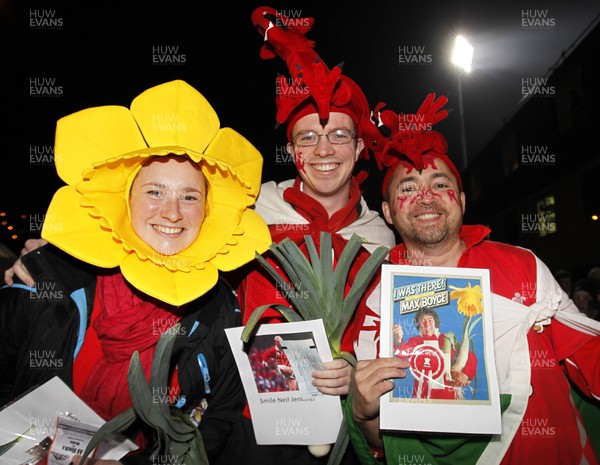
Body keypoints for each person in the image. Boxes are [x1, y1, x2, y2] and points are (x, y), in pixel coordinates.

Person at [0, 80, 272, 464]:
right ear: (124, 201)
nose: (173, 213)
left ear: (208, 212)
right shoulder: (48, 281)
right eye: (155, 192)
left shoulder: (223, 311)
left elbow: (216, 424)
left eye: (190, 197)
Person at [344, 93, 600, 465]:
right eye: (408, 188)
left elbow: (586, 354)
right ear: (386, 211)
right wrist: (365, 413)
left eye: (440, 184)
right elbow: (383, 443)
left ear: (461, 201)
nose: (426, 197)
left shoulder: (521, 266)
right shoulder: (373, 300)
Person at [392, 307, 476, 399]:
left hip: (447, 394)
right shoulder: (415, 341)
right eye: (422, 321)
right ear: (418, 324)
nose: (427, 324)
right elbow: (401, 354)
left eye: (430, 320)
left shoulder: (446, 339)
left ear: (435, 322)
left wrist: (466, 374)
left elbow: (469, 356)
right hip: (422, 394)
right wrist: (398, 338)